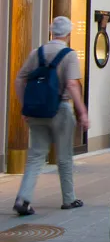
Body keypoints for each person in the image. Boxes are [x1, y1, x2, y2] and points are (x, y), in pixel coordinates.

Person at [13, 17, 89, 215]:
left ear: (51, 32)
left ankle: (23, 198)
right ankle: (69, 198)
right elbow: (72, 85)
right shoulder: (69, 55)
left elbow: (19, 80)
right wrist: (82, 112)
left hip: (36, 111)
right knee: (64, 156)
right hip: (61, 109)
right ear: (68, 34)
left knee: (36, 155)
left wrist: (25, 107)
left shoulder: (36, 53)